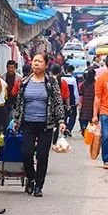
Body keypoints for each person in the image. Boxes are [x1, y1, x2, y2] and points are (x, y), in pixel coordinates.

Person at [12, 53, 67, 197]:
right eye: (34, 61)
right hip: (28, 123)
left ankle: (39, 186)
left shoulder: (51, 82)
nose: (36, 64)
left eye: (40, 61)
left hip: (46, 125)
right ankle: (31, 178)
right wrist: (16, 120)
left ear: (46, 65)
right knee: (26, 153)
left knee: (42, 156)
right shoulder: (24, 82)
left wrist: (61, 121)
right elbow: (19, 103)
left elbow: (58, 101)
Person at [61, 64, 79, 137]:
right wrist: (77, 101)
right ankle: (69, 128)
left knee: (64, 115)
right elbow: (75, 91)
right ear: (72, 71)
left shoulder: (62, 79)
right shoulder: (73, 80)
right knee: (73, 115)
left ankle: (64, 127)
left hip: (62, 100)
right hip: (71, 101)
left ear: (66, 70)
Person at [78, 68, 96, 134]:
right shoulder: (96, 84)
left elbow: (81, 95)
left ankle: (84, 129)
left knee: (83, 118)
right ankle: (90, 131)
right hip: (93, 104)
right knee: (92, 118)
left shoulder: (83, 84)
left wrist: (80, 103)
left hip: (85, 104)